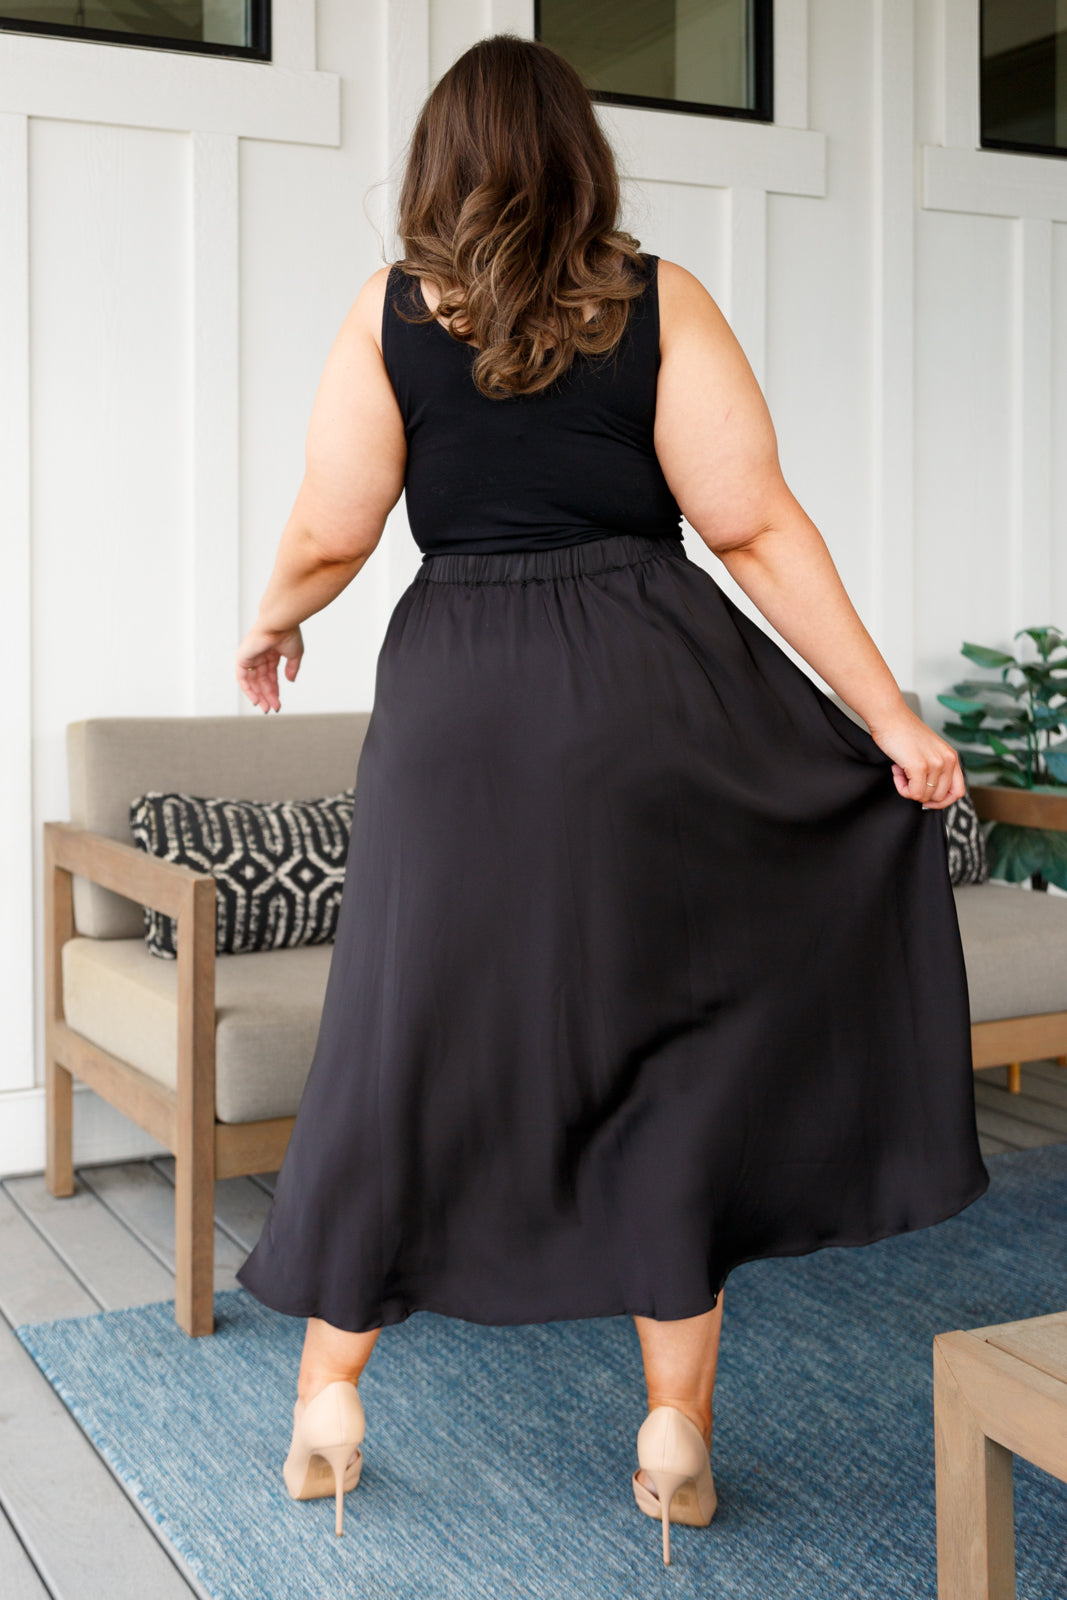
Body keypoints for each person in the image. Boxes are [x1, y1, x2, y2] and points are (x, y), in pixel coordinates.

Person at [232, 33, 988, 1566]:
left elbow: (333, 524)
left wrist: (276, 615)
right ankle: (673, 1431)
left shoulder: (394, 311)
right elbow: (752, 524)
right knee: (672, 1046)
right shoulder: (657, 300)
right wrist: (888, 717)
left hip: (458, 705)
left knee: (405, 1037)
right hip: (648, 692)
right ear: (581, 156)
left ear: (438, 163)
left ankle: (329, 1401)